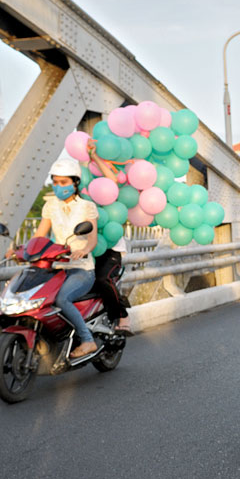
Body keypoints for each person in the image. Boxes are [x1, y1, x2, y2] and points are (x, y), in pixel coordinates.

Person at [30, 158, 101, 358]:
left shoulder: (87, 207)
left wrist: (84, 250)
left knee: (61, 298)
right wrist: (21, 250)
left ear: (75, 183)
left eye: (64, 183)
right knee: (39, 299)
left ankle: (87, 340)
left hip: (81, 268)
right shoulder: (50, 206)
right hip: (56, 266)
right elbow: (40, 235)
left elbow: (92, 239)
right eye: (56, 182)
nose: (59, 187)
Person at [87, 141, 135, 335]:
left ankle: (121, 314)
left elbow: (112, 180)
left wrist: (94, 157)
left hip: (111, 249)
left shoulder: (106, 194)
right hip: (86, 247)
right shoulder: (84, 194)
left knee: (102, 279)